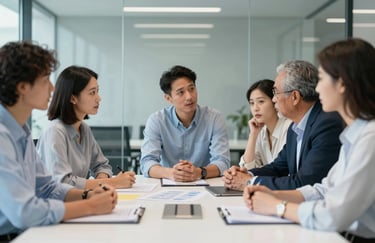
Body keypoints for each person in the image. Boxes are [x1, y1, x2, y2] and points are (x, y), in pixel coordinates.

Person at [244, 38, 375, 243]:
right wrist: (272, 193)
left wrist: (277, 207)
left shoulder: (369, 139)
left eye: (322, 79)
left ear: (341, 83)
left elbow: (333, 215)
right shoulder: (354, 135)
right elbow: (324, 189)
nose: (317, 88)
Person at [0, 41, 117, 240]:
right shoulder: (2, 137)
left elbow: (47, 187)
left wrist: (88, 195)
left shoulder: (21, 131)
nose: (53, 88)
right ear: (22, 87)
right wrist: (89, 206)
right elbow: (24, 212)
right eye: (46, 80)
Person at [224, 60, 343, 190]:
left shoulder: (326, 125)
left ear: (295, 97)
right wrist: (246, 174)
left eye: (275, 92)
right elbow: (278, 167)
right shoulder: (296, 128)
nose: (274, 99)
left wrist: (250, 182)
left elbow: (304, 182)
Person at [37, 65, 135, 190]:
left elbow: (102, 165)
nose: (98, 98)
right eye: (92, 93)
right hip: (57, 205)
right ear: (73, 98)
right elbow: (62, 183)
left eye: (97, 91)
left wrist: (102, 181)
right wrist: (113, 183)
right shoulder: (55, 132)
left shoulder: (84, 128)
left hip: (80, 198)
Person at [140, 65, 230, 181]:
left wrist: (199, 172)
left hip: (205, 182)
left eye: (192, 89)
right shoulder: (157, 120)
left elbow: (222, 161)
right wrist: (171, 173)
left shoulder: (214, 118)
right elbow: (147, 162)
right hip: (168, 184)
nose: (189, 96)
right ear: (168, 98)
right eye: (181, 92)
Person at [239, 79, 291, 170]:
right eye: (252, 103)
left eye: (261, 101)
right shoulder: (261, 131)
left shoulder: (289, 128)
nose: (255, 108)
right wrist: (253, 134)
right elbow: (246, 169)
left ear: (274, 101)